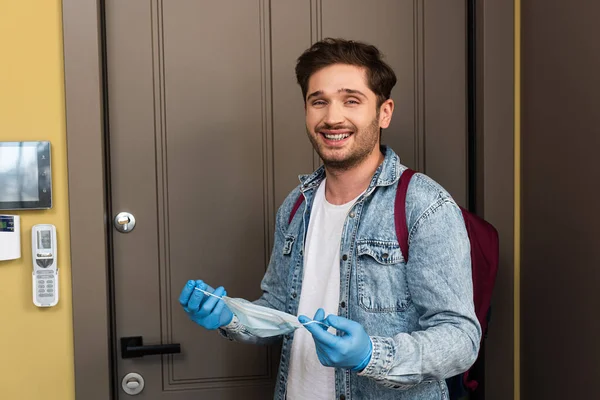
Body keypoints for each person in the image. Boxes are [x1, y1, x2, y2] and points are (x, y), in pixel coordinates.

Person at [179, 38, 481, 400]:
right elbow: (279, 311)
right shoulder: (296, 205)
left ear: (384, 112)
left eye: (351, 100)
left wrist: (371, 355)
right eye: (318, 101)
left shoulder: (424, 206)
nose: (332, 117)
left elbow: (460, 338)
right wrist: (231, 317)